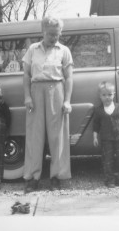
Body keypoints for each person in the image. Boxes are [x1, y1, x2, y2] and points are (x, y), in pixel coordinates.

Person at [22, 16, 73, 193]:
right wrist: (27, 96)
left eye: (57, 34)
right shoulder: (32, 49)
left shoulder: (64, 50)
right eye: (50, 34)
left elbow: (69, 77)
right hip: (36, 92)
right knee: (35, 136)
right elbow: (27, 75)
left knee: (57, 136)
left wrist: (67, 100)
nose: (53, 38)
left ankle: (57, 177)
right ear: (43, 31)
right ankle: (33, 177)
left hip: (56, 90)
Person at [93, 81, 119, 188]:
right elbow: (96, 125)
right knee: (108, 160)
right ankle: (110, 180)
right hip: (106, 139)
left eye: (110, 95)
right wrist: (95, 137)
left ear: (114, 94)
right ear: (100, 96)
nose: (107, 97)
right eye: (104, 95)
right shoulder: (98, 110)